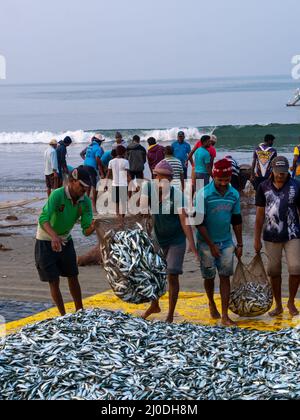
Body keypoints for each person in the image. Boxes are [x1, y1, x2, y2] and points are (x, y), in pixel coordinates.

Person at [141, 160, 199, 323]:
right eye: (160, 177)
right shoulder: (148, 189)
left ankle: (170, 314)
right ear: (155, 176)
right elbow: (142, 209)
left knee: (172, 274)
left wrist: (192, 246)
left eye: (167, 178)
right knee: (154, 273)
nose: (163, 181)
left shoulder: (177, 195)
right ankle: (155, 305)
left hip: (176, 239)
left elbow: (183, 220)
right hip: (158, 236)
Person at [35, 166, 95, 316]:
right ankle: (63, 315)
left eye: (87, 187)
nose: (84, 190)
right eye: (82, 185)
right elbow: (43, 218)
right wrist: (54, 236)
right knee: (53, 280)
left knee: (73, 275)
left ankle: (80, 311)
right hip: (45, 239)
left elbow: (86, 231)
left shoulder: (85, 202)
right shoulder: (57, 195)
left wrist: (94, 226)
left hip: (65, 239)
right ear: (72, 181)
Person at [195, 159, 243, 327]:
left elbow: (237, 220)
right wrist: (211, 245)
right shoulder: (203, 194)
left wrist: (240, 244)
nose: (223, 183)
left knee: (225, 276)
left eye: (227, 180)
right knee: (209, 276)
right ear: (213, 176)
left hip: (226, 242)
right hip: (205, 243)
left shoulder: (234, 194)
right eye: (220, 180)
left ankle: (224, 314)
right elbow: (198, 223)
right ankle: (211, 302)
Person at [254, 156, 300, 317]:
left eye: (284, 172)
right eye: (278, 172)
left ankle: (291, 302)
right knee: (273, 270)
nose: (281, 175)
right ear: (272, 171)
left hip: (293, 233)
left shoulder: (296, 185)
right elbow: (259, 215)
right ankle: (278, 304)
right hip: (270, 235)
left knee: (296, 268)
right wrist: (256, 239)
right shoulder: (263, 186)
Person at [105, 145, 131, 218]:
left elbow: (108, 174)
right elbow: (128, 175)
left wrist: (106, 184)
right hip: (123, 184)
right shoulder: (126, 162)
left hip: (114, 184)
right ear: (123, 153)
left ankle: (118, 216)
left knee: (116, 203)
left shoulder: (111, 161)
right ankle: (122, 218)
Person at [84, 134, 105, 211]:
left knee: (88, 185)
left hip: (85, 166)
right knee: (95, 186)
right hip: (92, 168)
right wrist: (101, 172)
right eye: (101, 142)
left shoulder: (89, 146)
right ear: (99, 142)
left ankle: (86, 203)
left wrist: (87, 161)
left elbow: (84, 154)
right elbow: (97, 159)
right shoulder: (98, 148)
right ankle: (94, 205)